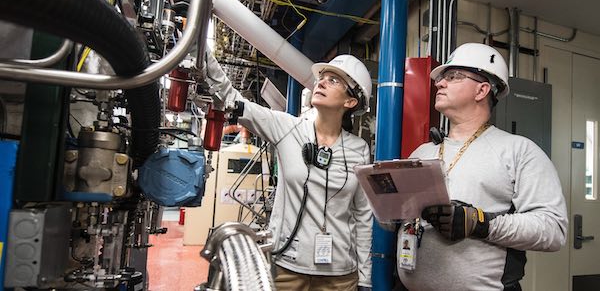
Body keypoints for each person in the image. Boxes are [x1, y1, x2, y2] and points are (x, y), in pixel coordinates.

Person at [396, 43, 568, 291]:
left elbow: (553, 229)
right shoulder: (423, 153)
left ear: (482, 90)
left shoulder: (518, 151)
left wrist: (480, 223)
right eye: (442, 78)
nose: (440, 83)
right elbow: (397, 219)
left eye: (452, 77)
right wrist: (390, 211)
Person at [204, 52, 373, 290]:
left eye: (334, 80)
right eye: (322, 77)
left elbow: (363, 216)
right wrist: (200, 52)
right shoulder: (287, 129)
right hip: (286, 270)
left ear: (350, 102)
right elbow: (232, 100)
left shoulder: (359, 150)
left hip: (340, 276)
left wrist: (365, 278)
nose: (321, 82)